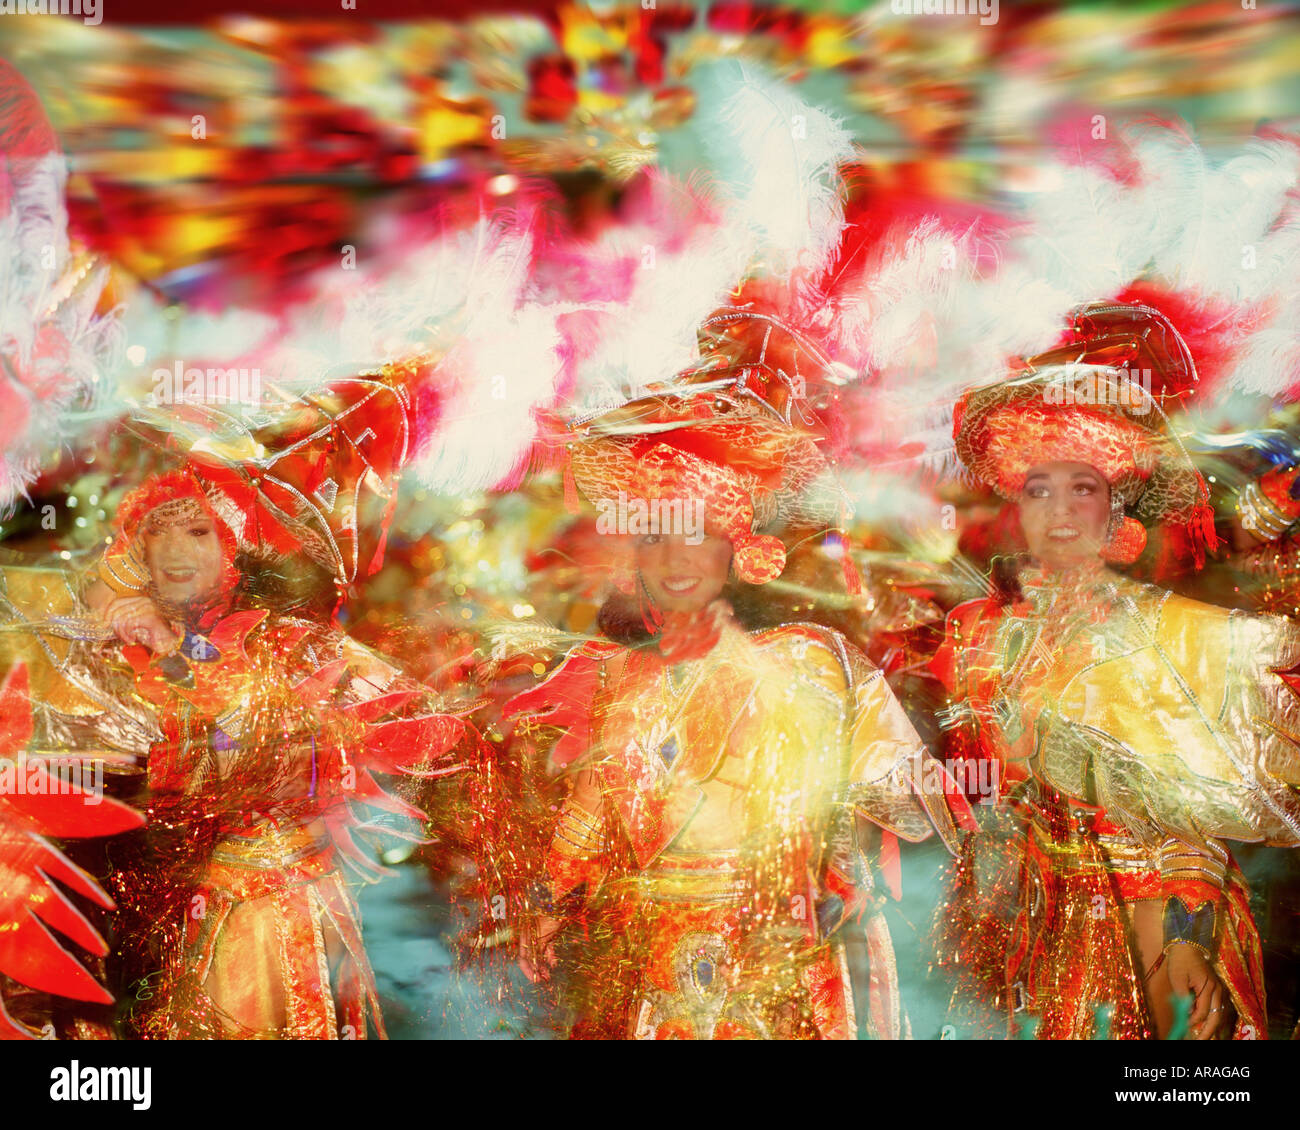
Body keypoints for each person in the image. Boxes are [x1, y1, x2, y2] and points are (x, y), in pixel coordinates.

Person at [504, 364, 972, 1039]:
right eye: (656, 536)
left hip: (777, 953)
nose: (675, 557)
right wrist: (552, 894)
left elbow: (871, 798)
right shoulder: (617, 677)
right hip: (652, 954)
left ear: (739, 549)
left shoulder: (811, 658)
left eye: (697, 532)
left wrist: (834, 878)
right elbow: (592, 802)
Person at [933, 303, 1300, 1040]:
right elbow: (975, 794)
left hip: (1148, 925)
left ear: (1117, 506)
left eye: (1083, 488)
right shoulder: (976, 637)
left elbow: (1194, 819)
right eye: (1039, 488)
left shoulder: (1167, 633)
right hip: (1019, 935)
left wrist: (1190, 936)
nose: (1059, 512)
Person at [79, 465, 474, 1038]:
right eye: (154, 534)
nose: (172, 552)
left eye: (197, 532)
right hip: (166, 919)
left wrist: (171, 656)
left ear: (232, 546)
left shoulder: (285, 644)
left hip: (266, 914)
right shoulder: (136, 645)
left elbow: (243, 754)